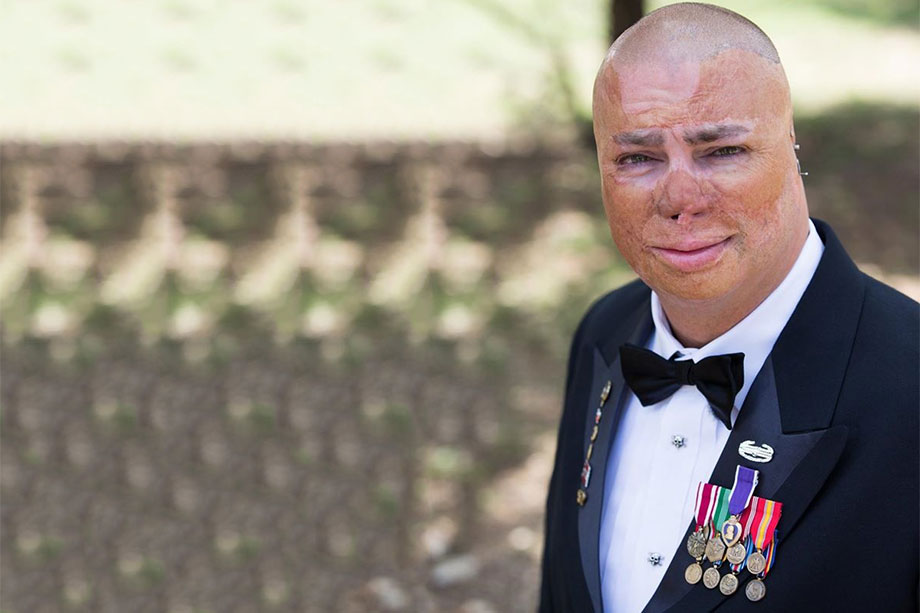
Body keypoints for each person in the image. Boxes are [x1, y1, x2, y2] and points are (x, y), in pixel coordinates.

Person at [538, 3, 919, 612]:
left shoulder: (909, 378)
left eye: (721, 151)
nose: (680, 197)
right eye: (637, 158)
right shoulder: (603, 332)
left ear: (791, 147)